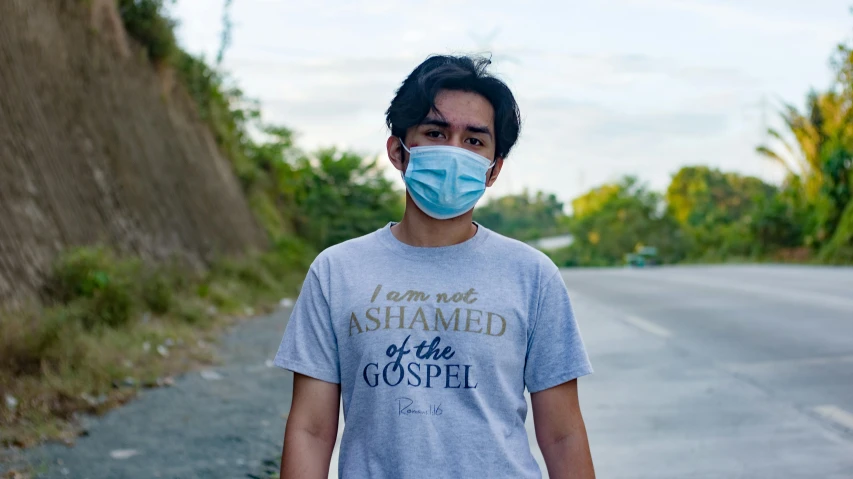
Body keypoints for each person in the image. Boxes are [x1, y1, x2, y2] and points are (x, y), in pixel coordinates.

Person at [273, 54, 595, 479]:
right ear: (398, 151)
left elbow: (563, 435)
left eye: (474, 141)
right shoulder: (337, 272)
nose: (453, 151)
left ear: (493, 170)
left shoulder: (531, 275)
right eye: (435, 132)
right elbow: (311, 430)